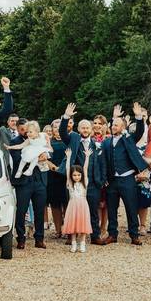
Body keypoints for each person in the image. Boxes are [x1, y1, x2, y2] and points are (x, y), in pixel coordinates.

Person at [100, 105, 149, 245]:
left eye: (116, 125)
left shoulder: (128, 138)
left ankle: (134, 235)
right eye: (112, 124)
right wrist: (104, 179)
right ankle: (112, 234)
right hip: (112, 180)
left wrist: (138, 116)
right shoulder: (106, 142)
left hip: (128, 178)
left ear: (123, 127)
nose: (113, 126)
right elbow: (104, 162)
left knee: (131, 207)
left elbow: (139, 131)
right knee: (112, 209)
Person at [59, 104, 104, 247]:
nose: (85, 130)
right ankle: (71, 235)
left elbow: (103, 163)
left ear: (91, 130)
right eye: (83, 127)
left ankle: (95, 236)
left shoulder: (97, 144)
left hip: (93, 182)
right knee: (72, 209)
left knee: (93, 210)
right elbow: (62, 133)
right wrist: (66, 116)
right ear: (78, 129)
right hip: (75, 182)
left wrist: (102, 179)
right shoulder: (73, 138)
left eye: (87, 128)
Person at [9, 120, 50, 249]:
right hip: (23, 181)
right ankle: (21, 238)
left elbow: (49, 150)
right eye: (24, 129)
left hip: (40, 179)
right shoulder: (16, 142)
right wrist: (36, 156)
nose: (26, 132)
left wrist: (45, 154)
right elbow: (16, 158)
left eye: (29, 130)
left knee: (39, 210)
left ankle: (39, 238)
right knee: (21, 210)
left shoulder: (42, 138)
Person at [47, 118, 69, 240]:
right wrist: (54, 167)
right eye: (55, 127)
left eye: (59, 126)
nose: (57, 129)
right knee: (55, 204)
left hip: (66, 176)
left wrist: (63, 169)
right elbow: (45, 158)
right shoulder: (48, 142)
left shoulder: (68, 141)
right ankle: (58, 230)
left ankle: (67, 228)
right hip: (53, 175)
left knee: (66, 203)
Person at [63, 165, 92, 253]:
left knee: (83, 223)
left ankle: (82, 243)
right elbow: (67, 169)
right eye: (74, 175)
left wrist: (87, 157)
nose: (77, 177)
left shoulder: (85, 183)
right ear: (71, 176)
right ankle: (74, 243)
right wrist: (68, 159)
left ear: (82, 175)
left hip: (83, 206)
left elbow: (86, 168)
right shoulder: (70, 184)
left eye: (79, 175)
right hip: (73, 206)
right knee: (73, 224)